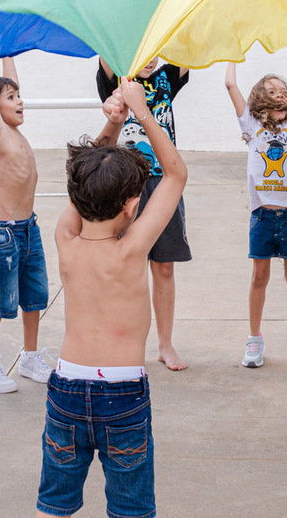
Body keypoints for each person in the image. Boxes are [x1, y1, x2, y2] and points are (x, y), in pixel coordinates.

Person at [36, 78, 187, 518]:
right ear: (131, 205)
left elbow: (81, 180)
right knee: (130, 509)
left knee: (54, 504)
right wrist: (142, 112)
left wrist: (113, 124)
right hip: (121, 395)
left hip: (66, 388)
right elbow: (175, 174)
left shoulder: (66, 239)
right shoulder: (131, 249)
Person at [225, 37, 287, 370]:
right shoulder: (251, 124)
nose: (279, 93)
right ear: (259, 97)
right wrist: (232, 49)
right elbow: (230, 84)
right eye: (271, 90)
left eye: (282, 89)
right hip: (262, 216)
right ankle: (254, 339)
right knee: (259, 277)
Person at [96, 56, 191, 371]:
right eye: (144, 52)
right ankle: (121, 342)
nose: (151, 59)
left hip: (164, 184)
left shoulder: (165, 78)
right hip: (126, 187)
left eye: (155, 51)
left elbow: (188, 48)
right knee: (126, 267)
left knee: (164, 267)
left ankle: (165, 345)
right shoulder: (119, 79)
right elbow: (107, 46)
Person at [0, 55, 52, 392]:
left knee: (34, 295)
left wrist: (7, 49)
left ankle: (30, 356)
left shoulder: (16, 132)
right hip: (5, 233)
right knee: (0, 299)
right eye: (11, 97)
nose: (20, 101)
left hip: (28, 228)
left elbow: (6, 78)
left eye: (19, 96)